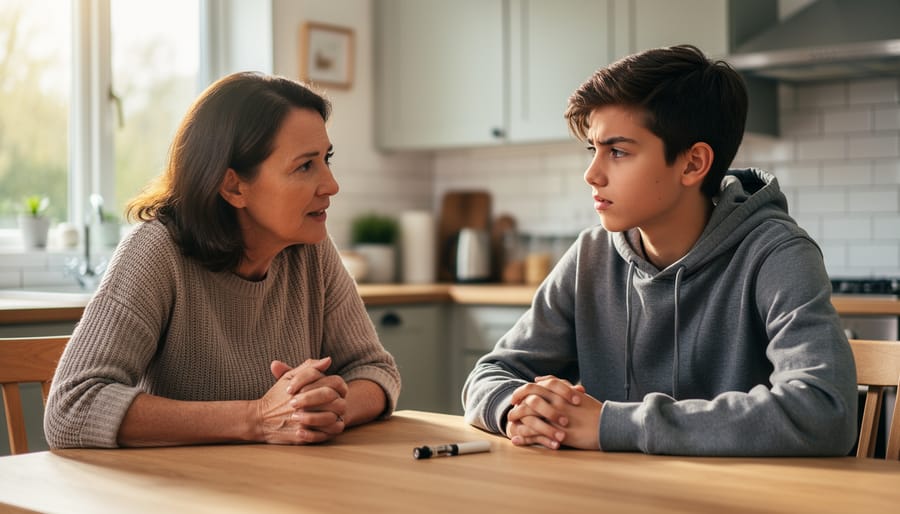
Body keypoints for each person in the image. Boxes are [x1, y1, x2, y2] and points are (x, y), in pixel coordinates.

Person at [462, 45, 857, 456]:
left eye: (618, 151)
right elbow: (490, 374)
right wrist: (518, 410)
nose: (592, 174)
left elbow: (825, 412)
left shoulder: (777, 253)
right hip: (612, 487)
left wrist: (610, 425)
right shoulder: (591, 256)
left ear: (693, 164)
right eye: (593, 150)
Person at [44, 72, 401, 448]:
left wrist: (324, 410)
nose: (331, 185)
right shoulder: (156, 251)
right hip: (178, 483)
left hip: (277, 479)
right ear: (233, 186)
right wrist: (257, 418)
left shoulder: (310, 249)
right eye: (304, 166)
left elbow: (375, 370)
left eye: (326, 159)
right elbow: (71, 409)